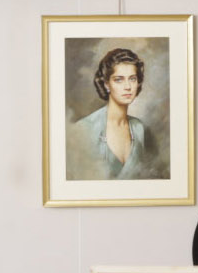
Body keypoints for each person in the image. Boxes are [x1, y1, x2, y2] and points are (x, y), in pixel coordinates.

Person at [68, 46, 164, 181]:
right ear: (106, 84)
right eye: (119, 79)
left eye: (132, 79)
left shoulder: (139, 128)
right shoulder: (84, 128)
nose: (128, 86)